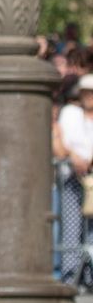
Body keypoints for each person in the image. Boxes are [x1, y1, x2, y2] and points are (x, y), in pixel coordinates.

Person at [53, 73, 93, 289]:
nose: (89, 97)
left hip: (91, 179)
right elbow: (62, 141)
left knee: (91, 230)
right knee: (71, 226)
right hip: (70, 178)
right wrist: (74, 158)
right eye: (86, 92)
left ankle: (89, 275)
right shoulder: (70, 113)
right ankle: (70, 275)